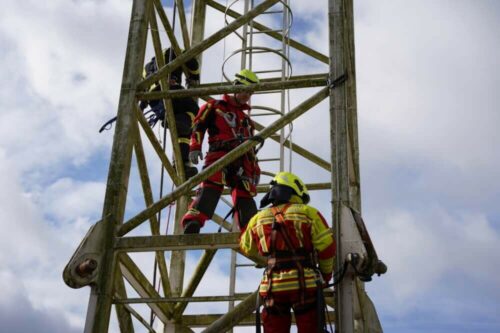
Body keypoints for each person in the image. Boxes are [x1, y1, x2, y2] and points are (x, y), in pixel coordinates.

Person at [239, 172, 335, 333]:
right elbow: (327, 248)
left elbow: (246, 247)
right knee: (311, 328)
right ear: (296, 191)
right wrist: (325, 276)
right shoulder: (308, 213)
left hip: (271, 287)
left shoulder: (257, 219)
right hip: (305, 284)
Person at [181, 69, 261, 234]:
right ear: (236, 86)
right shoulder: (214, 106)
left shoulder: (247, 121)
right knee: (211, 185)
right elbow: (198, 126)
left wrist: (255, 170)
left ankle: (251, 232)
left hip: (241, 161)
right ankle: (194, 222)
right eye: (245, 90)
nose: (247, 95)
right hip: (220, 154)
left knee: (244, 194)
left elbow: (252, 151)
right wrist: (194, 147)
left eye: (250, 92)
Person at [139, 47, 200, 179]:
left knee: (182, 130)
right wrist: (195, 77)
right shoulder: (173, 50)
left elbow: (143, 88)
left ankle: (181, 164)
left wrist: (142, 106)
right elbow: (193, 63)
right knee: (197, 114)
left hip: (156, 103)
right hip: (172, 92)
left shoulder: (146, 67)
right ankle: (180, 123)